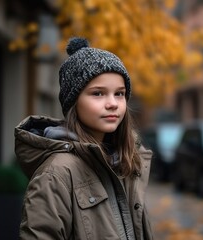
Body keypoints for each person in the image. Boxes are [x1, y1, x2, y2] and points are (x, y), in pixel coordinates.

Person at [14, 37, 154, 240]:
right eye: (98, 93)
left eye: (120, 94)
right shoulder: (56, 174)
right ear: (74, 102)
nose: (112, 103)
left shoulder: (125, 161)